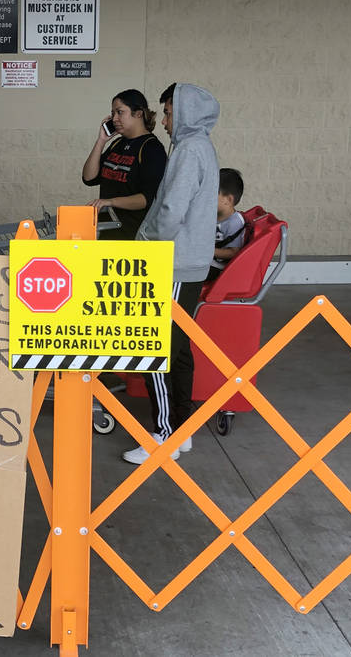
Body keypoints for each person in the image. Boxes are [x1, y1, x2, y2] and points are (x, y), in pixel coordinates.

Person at [123, 82, 220, 465]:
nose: (162, 121)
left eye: (166, 112)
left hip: (174, 263)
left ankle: (163, 434)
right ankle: (182, 429)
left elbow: (169, 213)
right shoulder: (200, 147)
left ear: (184, 112)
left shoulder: (189, 150)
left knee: (156, 349)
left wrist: (145, 242)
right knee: (178, 352)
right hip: (188, 263)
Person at [82, 89, 167, 240]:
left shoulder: (152, 148)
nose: (114, 118)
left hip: (132, 235)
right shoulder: (117, 143)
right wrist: (101, 141)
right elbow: (89, 178)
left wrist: (110, 202)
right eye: (113, 113)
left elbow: (146, 199)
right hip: (108, 231)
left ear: (138, 113)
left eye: (120, 112)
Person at [207, 168, 246, 281]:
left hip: (218, 269)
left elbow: (234, 252)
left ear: (228, 200)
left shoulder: (234, 222)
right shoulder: (214, 215)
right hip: (208, 261)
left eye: (212, 194)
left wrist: (207, 251)